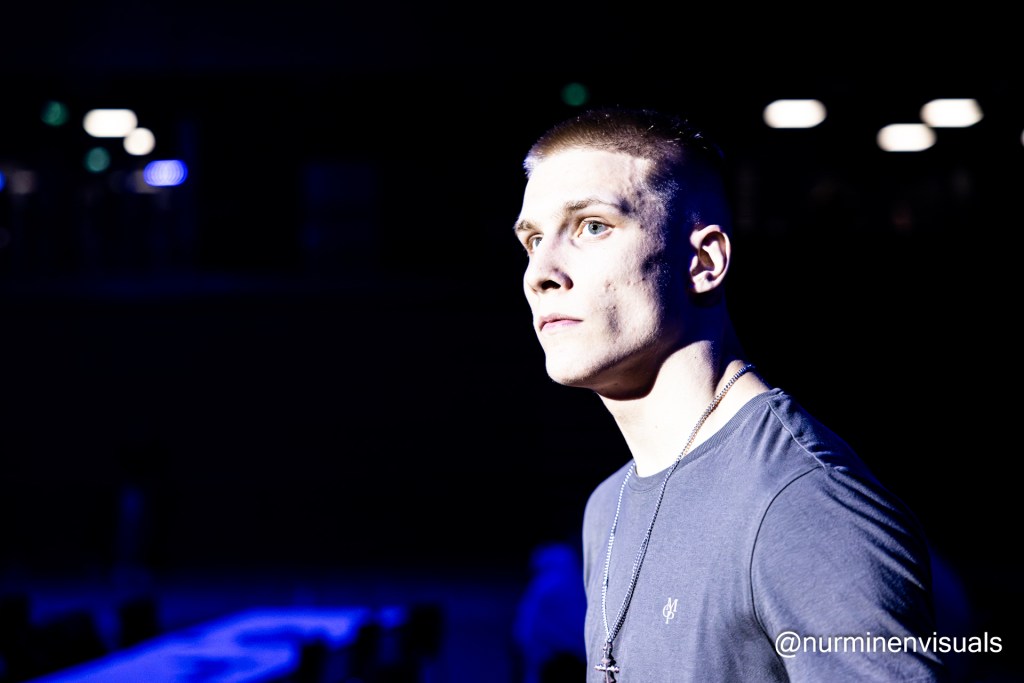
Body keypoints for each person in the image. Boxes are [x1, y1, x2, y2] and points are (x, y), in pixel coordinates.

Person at [511, 106, 947, 681]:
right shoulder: (607, 507)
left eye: (592, 226)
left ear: (704, 260)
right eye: (533, 239)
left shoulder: (802, 507)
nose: (540, 272)